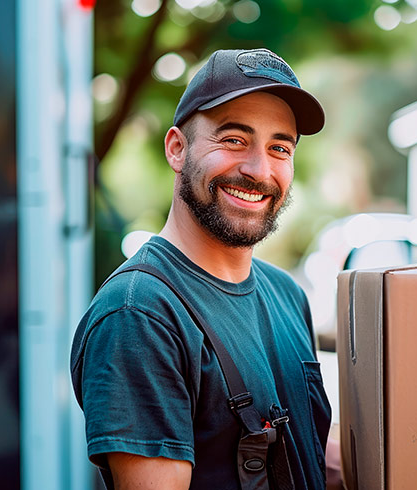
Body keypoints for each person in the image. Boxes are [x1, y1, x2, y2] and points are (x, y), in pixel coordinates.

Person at [71, 48, 332, 490]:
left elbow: (311, 456)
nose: (258, 169)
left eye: (279, 147)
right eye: (233, 139)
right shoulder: (139, 315)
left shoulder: (287, 294)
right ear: (177, 148)